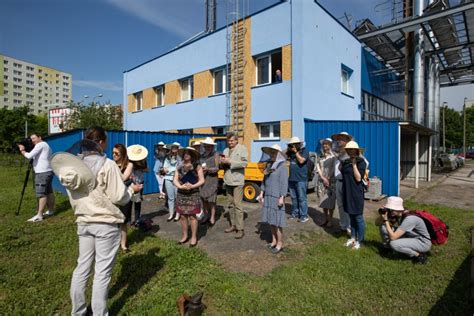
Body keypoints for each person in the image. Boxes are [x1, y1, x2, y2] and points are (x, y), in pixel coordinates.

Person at [51, 126, 142, 316]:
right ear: (100, 142)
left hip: (83, 222)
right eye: (106, 141)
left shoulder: (72, 168)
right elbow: (119, 197)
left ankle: (78, 312)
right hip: (105, 223)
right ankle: (100, 313)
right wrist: (132, 190)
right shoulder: (107, 165)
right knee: (102, 272)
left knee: (82, 267)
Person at [379, 196, 431, 264]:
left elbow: (393, 237)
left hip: (422, 242)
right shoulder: (399, 214)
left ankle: (419, 256)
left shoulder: (409, 219)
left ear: (397, 209)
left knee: (394, 244)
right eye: (388, 209)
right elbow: (377, 223)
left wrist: (386, 220)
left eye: (391, 209)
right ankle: (387, 248)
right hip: (411, 236)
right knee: (383, 227)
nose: (389, 211)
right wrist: (381, 215)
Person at [257, 144, 288, 254]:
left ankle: (280, 243)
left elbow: (284, 184)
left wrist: (282, 197)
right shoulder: (269, 166)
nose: (272, 155)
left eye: (274, 153)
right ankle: (274, 240)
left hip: (277, 197)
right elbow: (264, 181)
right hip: (268, 196)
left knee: (278, 222)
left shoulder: (282, 167)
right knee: (271, 221)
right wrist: (261, 193)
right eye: (271, 153)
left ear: (279, 154)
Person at [18, 133, 55, 222]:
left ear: (39, 137)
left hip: (42, 173)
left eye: (34, 138)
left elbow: (29, 156)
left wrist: (22, 150)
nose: (32, 140)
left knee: (41, 194)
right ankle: (50, 211)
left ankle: (39, 215)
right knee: (49, 192)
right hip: (48, 171)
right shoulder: (46, 145)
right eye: (31, 139)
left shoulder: (40, 145)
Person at [174, 147, 205, 246]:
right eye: (184, 153)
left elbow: (202, 180)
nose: (186, 155)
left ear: (192, 155)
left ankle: (194, 237)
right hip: (181, 193)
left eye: (188, 153)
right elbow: (174, 179)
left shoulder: (197, 166)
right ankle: (185, 236)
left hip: (193, 193)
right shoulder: (179, 166)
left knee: (192, 216)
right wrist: (180, 186)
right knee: (182, 216)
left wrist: (192, 186)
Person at [220, 132, 248, 239]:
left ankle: (240, 229)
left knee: (238, 205)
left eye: (232, 140)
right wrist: (222, 162)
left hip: (237, 181)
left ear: (236, 140)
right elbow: (224, 164)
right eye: (229, 141)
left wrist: (230, 161)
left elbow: (244, 163)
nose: (230, 142)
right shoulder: (225, 150)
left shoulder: (242, 149)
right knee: (230, 204)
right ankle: (233, 225)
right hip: (228, 180)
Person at [340, 140, 367, 250]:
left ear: (356, 150)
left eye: (352, 149)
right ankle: (352, 238)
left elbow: (358, 178)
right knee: (351, 216)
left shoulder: (361, 162)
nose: (350, 151)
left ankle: (360, 241)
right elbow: (342, 173)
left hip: (356, 193)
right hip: (347, 191)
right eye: (348, 150)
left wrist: (354, 164)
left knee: (358, 217)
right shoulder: (345, 162)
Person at [112, 144, 133, 252]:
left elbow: (124, 177)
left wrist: (112, 171)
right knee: (113, 220)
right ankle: (114, 243)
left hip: (124, 196)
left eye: (116, 153)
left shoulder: (129, 164)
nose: (114, 155)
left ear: (123, 154)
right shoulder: (111, 164)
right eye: (113, 153)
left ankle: (123, 244)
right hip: (113, 195)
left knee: (123, 221)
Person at [331, 131, 352, 236]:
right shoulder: (338, 153)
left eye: (341, 139)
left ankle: (350, 228)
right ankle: (343, 226)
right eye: (337, 139)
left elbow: (365, 163)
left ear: (347, 141)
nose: (338, 141)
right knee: (340, 206)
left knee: (348, 206)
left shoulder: (351, 152)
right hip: (338, 182)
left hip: (347, 183)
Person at [286, 136, 310, 223]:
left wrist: (296, 152)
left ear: (298, 145)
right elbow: (283, 157)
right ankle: (295, 213)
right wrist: (288, 150)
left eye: (294, 145)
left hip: (301, 179)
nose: (292, 146)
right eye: (291, 145)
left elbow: (301, 161)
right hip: (292, 178)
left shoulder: (304, 151)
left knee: (302, 198)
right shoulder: (290, 152)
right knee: (294, 198)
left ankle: (304, 215)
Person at [316, 138, 337, 228]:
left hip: (331, 181)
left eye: (327, 144)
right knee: (323, 201)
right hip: (321, 181)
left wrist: (328, 178)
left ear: (330, 145)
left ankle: (330, 220)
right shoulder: (320, 155)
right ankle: (325, 219)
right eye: (324, 144)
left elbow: (334, 168)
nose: (325, 146)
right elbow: (317, 166)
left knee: (330, 201)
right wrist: (322, 177)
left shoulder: (334, 156)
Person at [199, 137, 220, 226]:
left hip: (212, 180)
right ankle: (206, 215)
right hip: (203, 179)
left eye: (209, 146)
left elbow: (217, 168)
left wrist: (208, 169)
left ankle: (212, 217)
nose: (207, 147)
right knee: (204, 199)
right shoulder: (202, 155)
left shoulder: (215, 154)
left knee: (212, 200)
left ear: (212, 146)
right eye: (206, 146)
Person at [127, 144, 149, 224]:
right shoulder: (128, 161)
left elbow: (148, 170)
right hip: (131, 183)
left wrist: (140, 167)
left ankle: (137, 219)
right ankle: (128, 220)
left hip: (140, 182)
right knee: (129, 201)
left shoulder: (144, 161)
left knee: (137, 201)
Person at [163, 142, 181, 221]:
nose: (174, 149)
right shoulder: (167, 157)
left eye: (176, 147)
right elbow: (164, 168)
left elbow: (180, 167)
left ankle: (177, 214)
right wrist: (169, 170)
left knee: (177, 197)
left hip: (177, 179)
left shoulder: (180, 157)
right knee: (170, 198)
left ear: (178, 148)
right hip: (168, 178)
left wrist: (169, 170)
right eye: (173, 147)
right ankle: (171, 214)